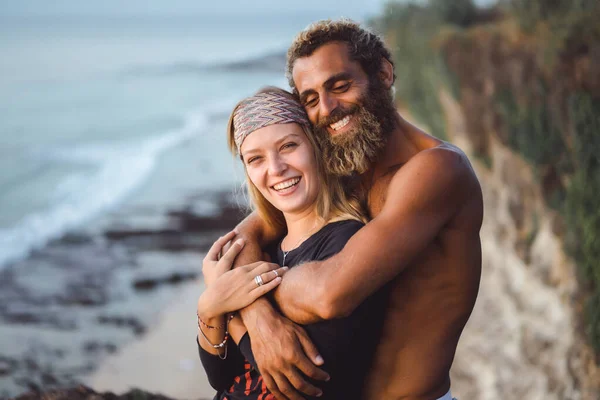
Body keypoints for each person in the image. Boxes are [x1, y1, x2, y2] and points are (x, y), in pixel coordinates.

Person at [229, 19, 483, 400]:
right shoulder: (343, 169)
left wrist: (242, 295)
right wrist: (259, 318)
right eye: (310, 99)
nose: (328, 108)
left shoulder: (437, 170)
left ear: (383, 73)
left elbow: (329, 294)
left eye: (340, 86)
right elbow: (244, 237)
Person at [196, 87, 389, 399]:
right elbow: (220, 376)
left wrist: (227, 306)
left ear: (315, 146)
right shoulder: (262, 249)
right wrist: (208, 308)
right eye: (255, 159)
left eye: (288, 146)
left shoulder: (346, 242)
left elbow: (304, 380)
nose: (275, 168)